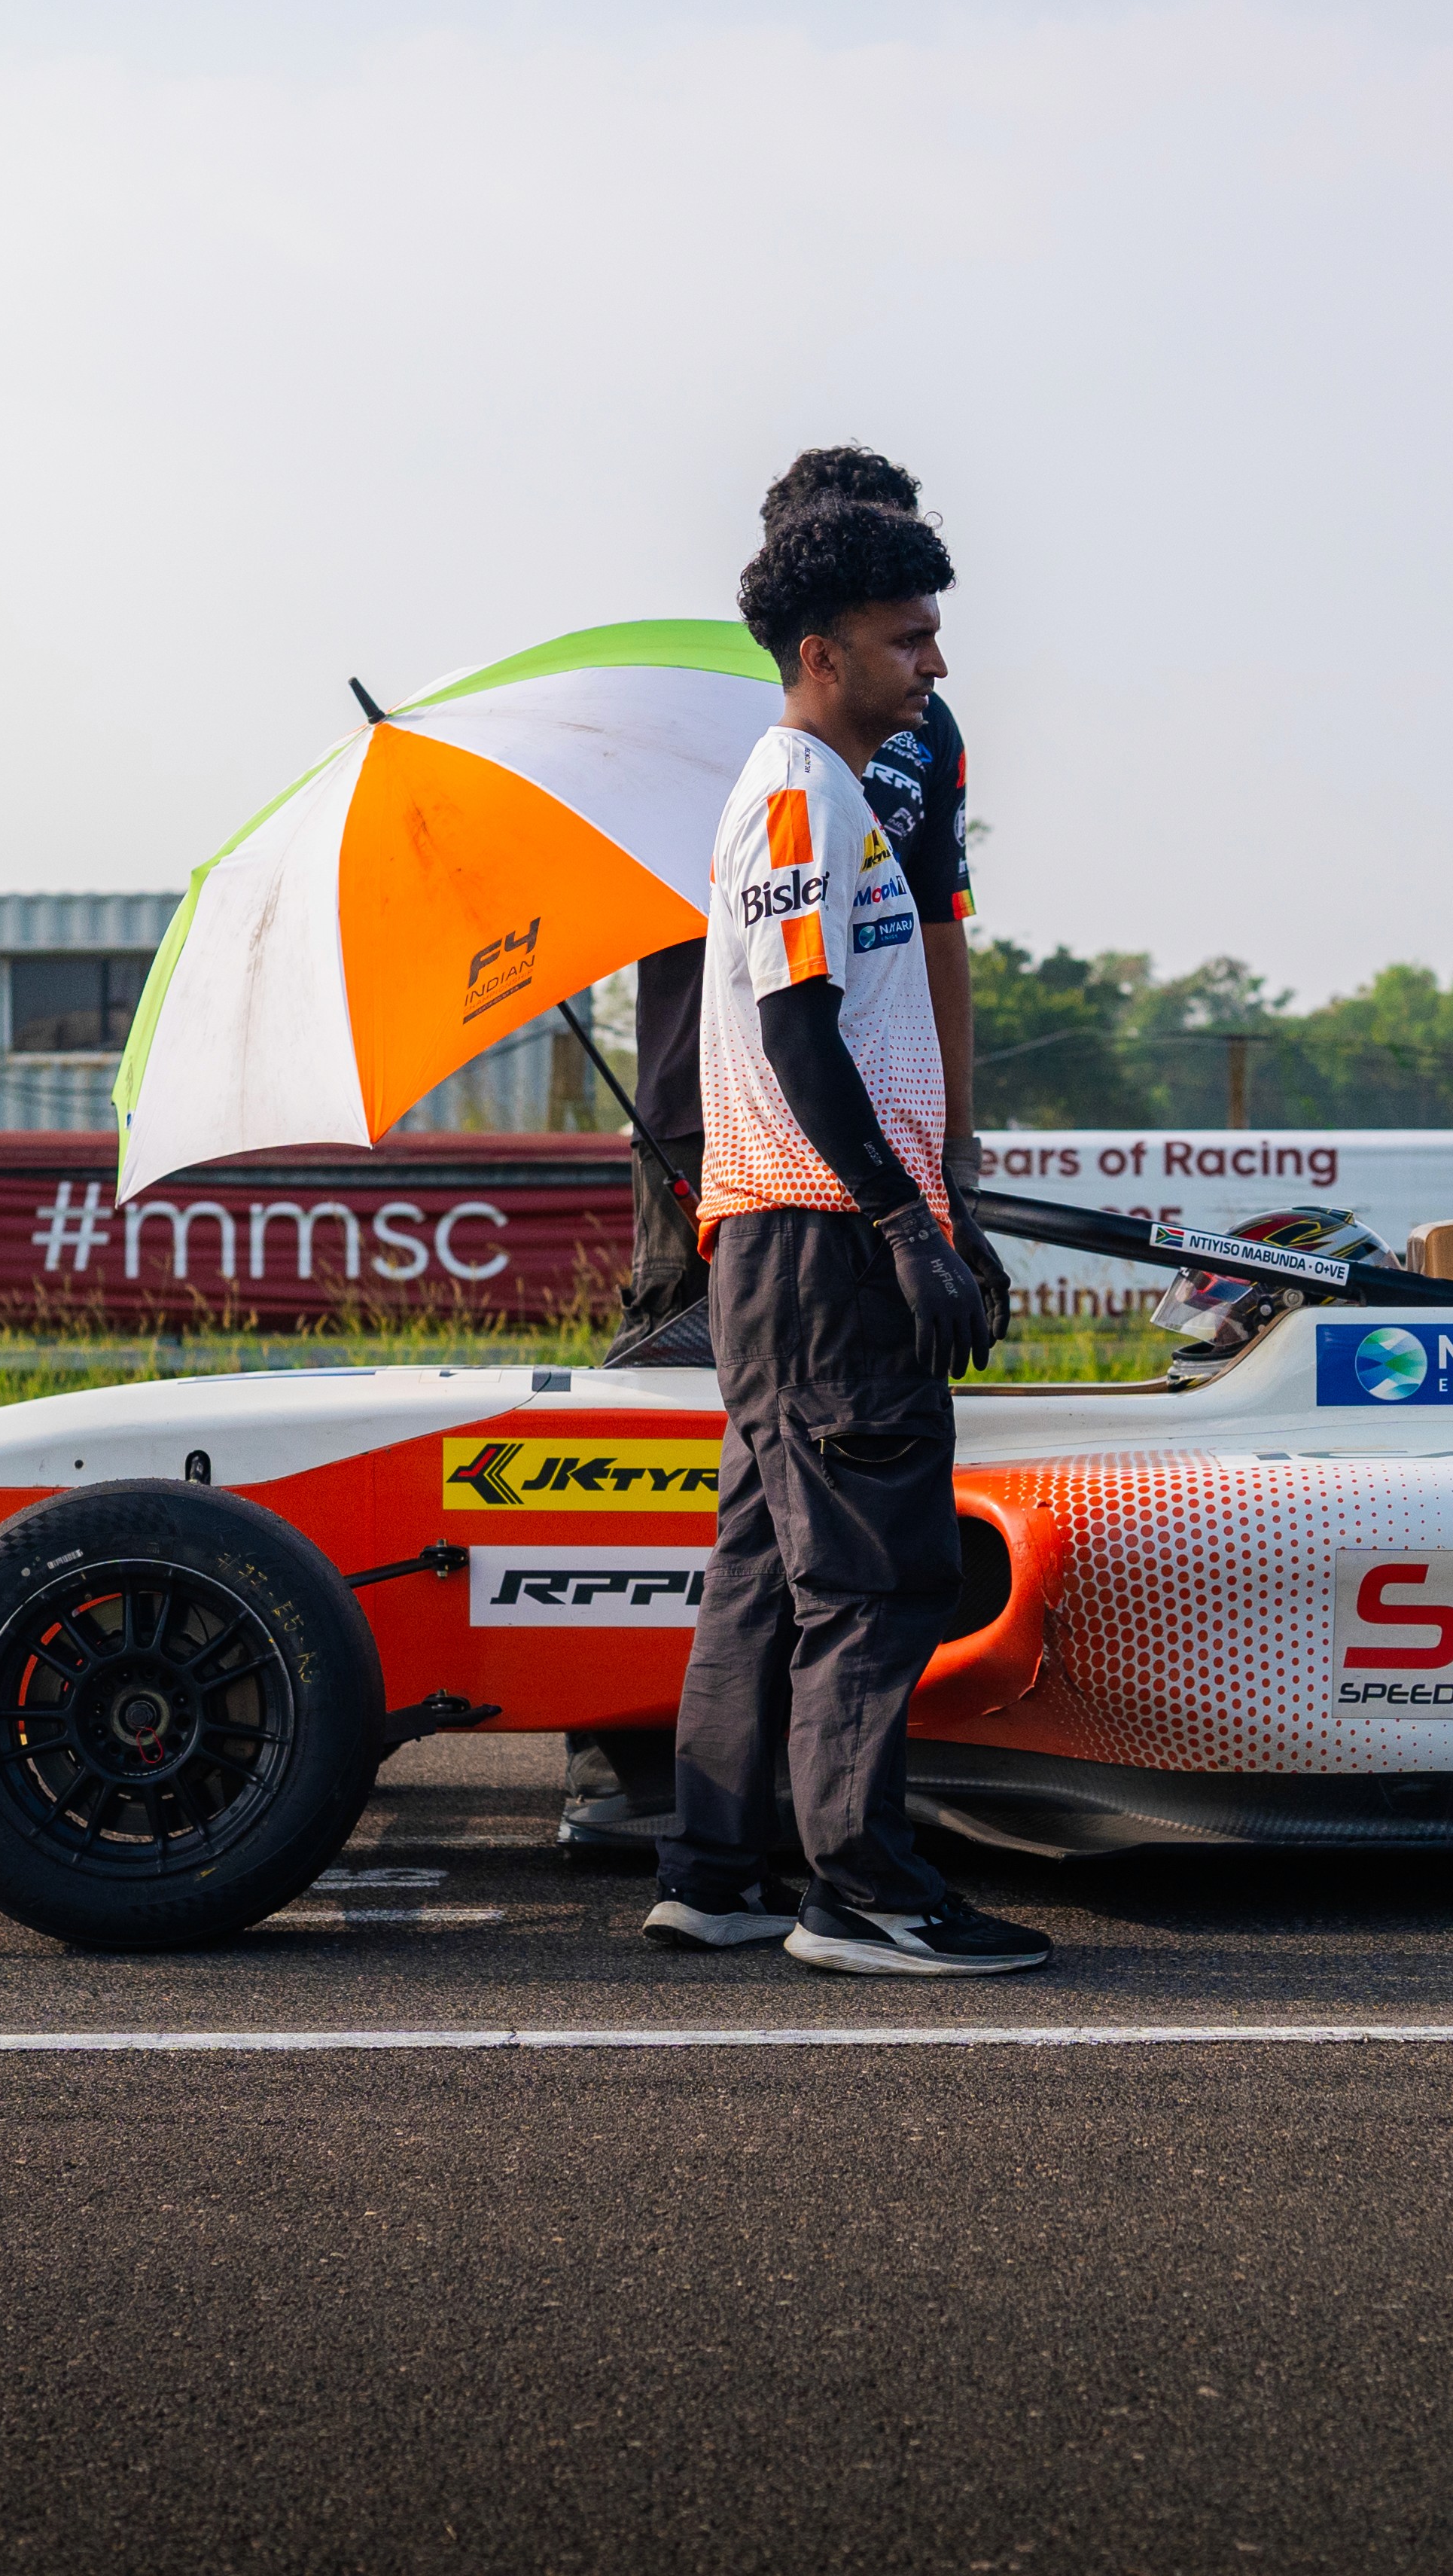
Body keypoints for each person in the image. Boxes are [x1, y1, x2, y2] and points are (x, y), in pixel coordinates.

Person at [635, 495, 1052, 1977]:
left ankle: (717, 1868)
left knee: (765, 1561)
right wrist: (906, 1221)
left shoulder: (807, 783)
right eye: (908, 637)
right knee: (873, 1574)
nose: (934, 664)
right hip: (819, 1239)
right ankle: (860, 1888)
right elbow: (802, 1030)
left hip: (775, 1239)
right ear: (822, 653)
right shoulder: (806, 789)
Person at [605, 447, 988, 1367]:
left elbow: (939, 928)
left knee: (853, 1397)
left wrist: (955, 1148)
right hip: (709, 1120)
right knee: (679, 1383)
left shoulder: (919, 720)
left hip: (871, 1118)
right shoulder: (679, 701)